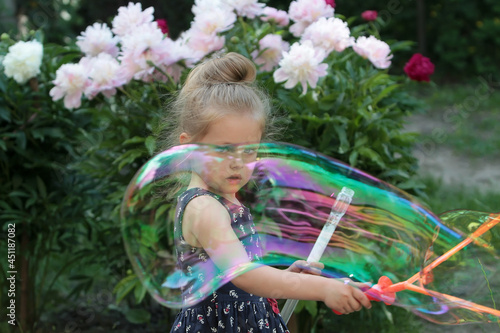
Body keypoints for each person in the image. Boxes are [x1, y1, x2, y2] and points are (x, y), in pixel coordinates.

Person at [163, 52, 372, 332]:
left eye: (249, 150)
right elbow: (244, 276)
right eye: (224, 150)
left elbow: (240, 284)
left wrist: (284, 279)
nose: (238, 161)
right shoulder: (205, 209)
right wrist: (322, 288)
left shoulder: (223, 201)